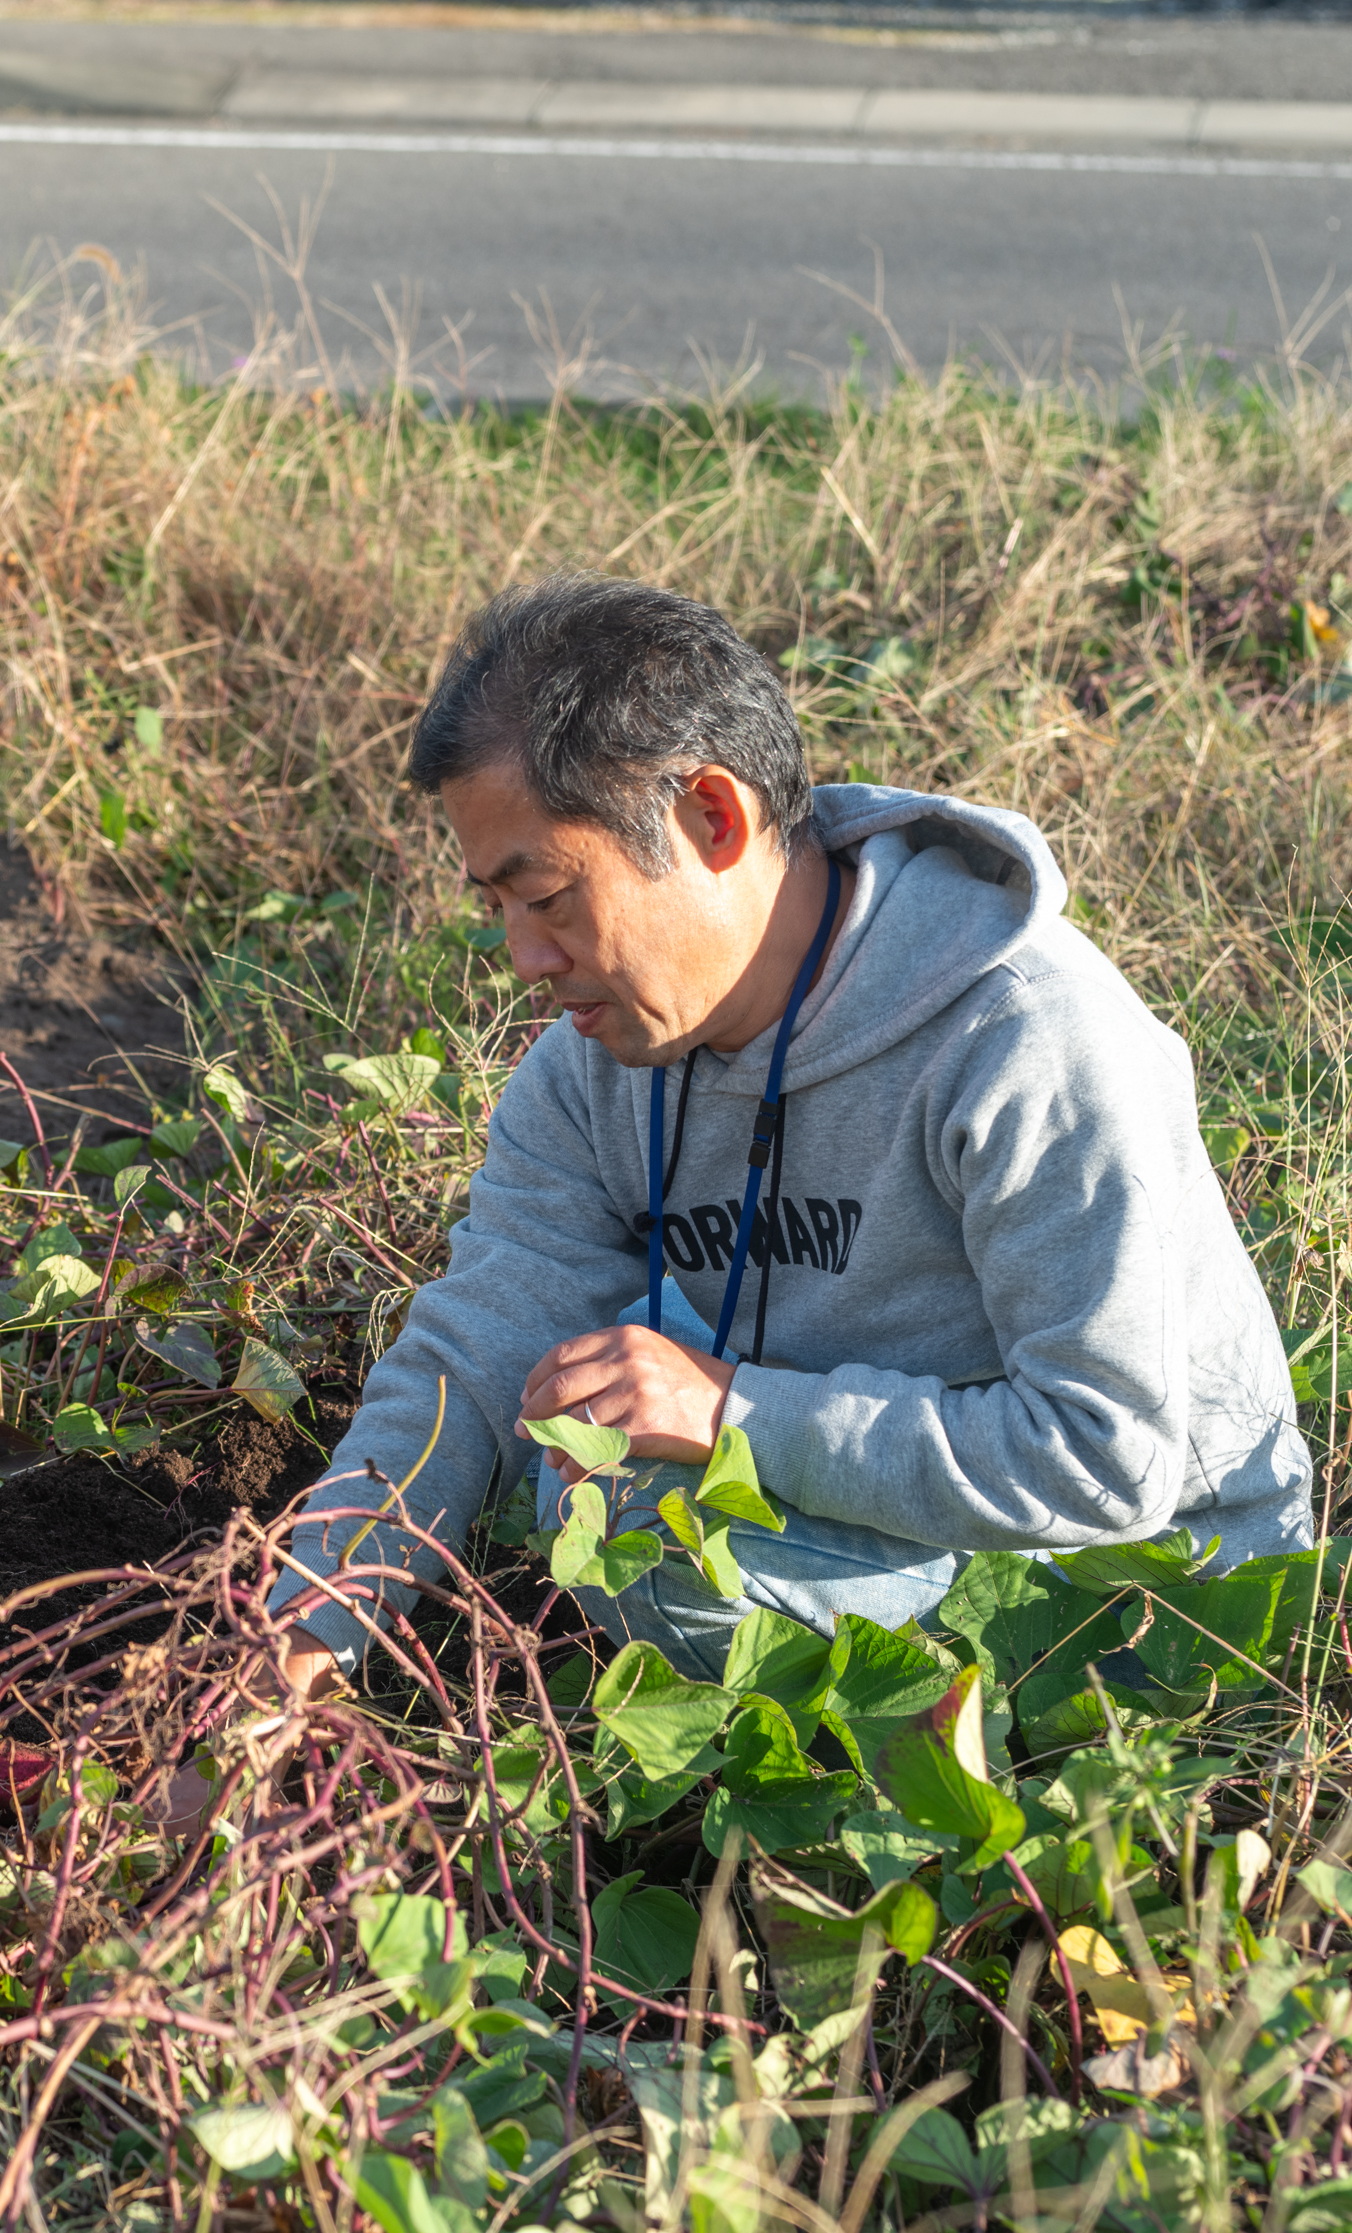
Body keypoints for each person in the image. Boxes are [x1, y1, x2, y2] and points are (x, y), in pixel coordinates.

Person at [271, 573, 1312, 1691]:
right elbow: (470, 1353)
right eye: (500, 907)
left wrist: (731, 1412)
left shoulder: (1027, 1039)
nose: (525, 958)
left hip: (1142, 1585)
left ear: (711, 818)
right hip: (871, 1497)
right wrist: (300, 1636)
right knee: (571, 1444)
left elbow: (1108, 1461)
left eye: (551, 895)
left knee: (654, 1546)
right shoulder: (593, 1066)